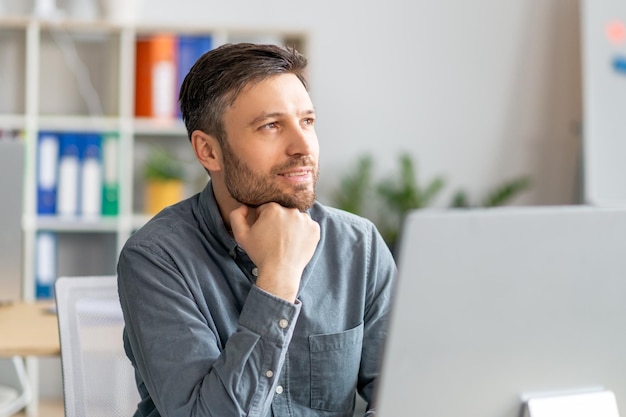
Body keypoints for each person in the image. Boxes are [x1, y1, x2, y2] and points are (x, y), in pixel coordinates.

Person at [117, 42, 397, 417]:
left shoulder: (358, 246)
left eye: (307, 121)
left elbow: (404, 397)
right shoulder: (155, 259)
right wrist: (278, 279)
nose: (302, 147)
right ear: (208, 151)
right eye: (271, 126)